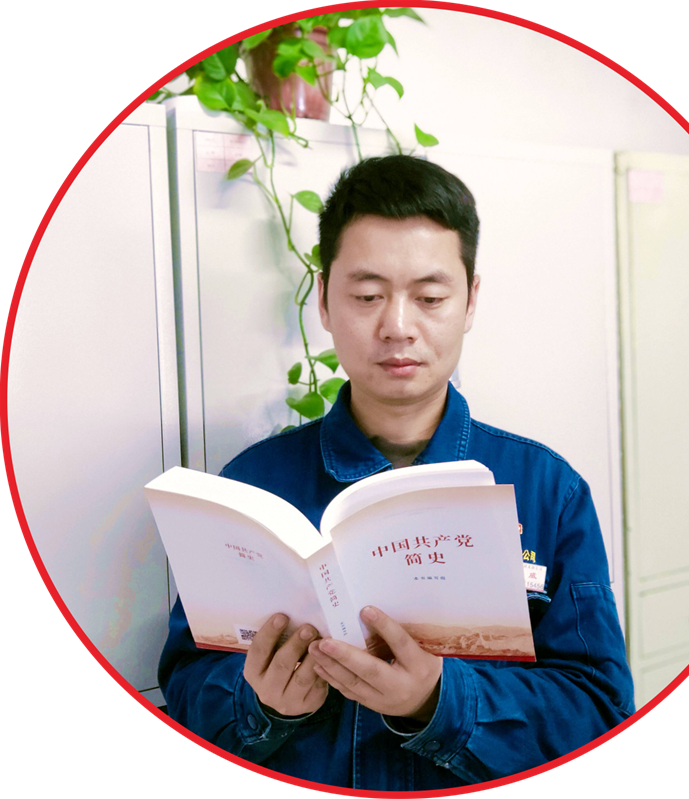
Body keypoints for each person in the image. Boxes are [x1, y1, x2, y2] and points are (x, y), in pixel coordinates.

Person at [158, 154, 635, 791]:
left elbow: (601, 711)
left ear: (470, 302)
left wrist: (439, 699)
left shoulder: (548, 490)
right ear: (324, 300)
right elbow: (185, 683)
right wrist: (261, 705)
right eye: (367, 296)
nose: (398, 327)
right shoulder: (252, 485)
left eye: (430, 298)